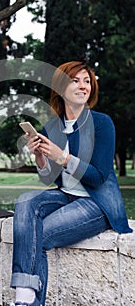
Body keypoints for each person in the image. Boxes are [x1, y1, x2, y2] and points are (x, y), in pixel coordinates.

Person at [9, 61, 132, 306]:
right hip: (66, 195)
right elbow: (48, 178)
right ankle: (25, 295)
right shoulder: (52, 126)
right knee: (25, 201)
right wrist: (40, 155)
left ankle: (27, 301)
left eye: (87, 81)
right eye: (75, 80)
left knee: (38, 235)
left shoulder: (101, 123)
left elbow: (98, 177)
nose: (83, 86)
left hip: (96, 204)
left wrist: (62, 157)